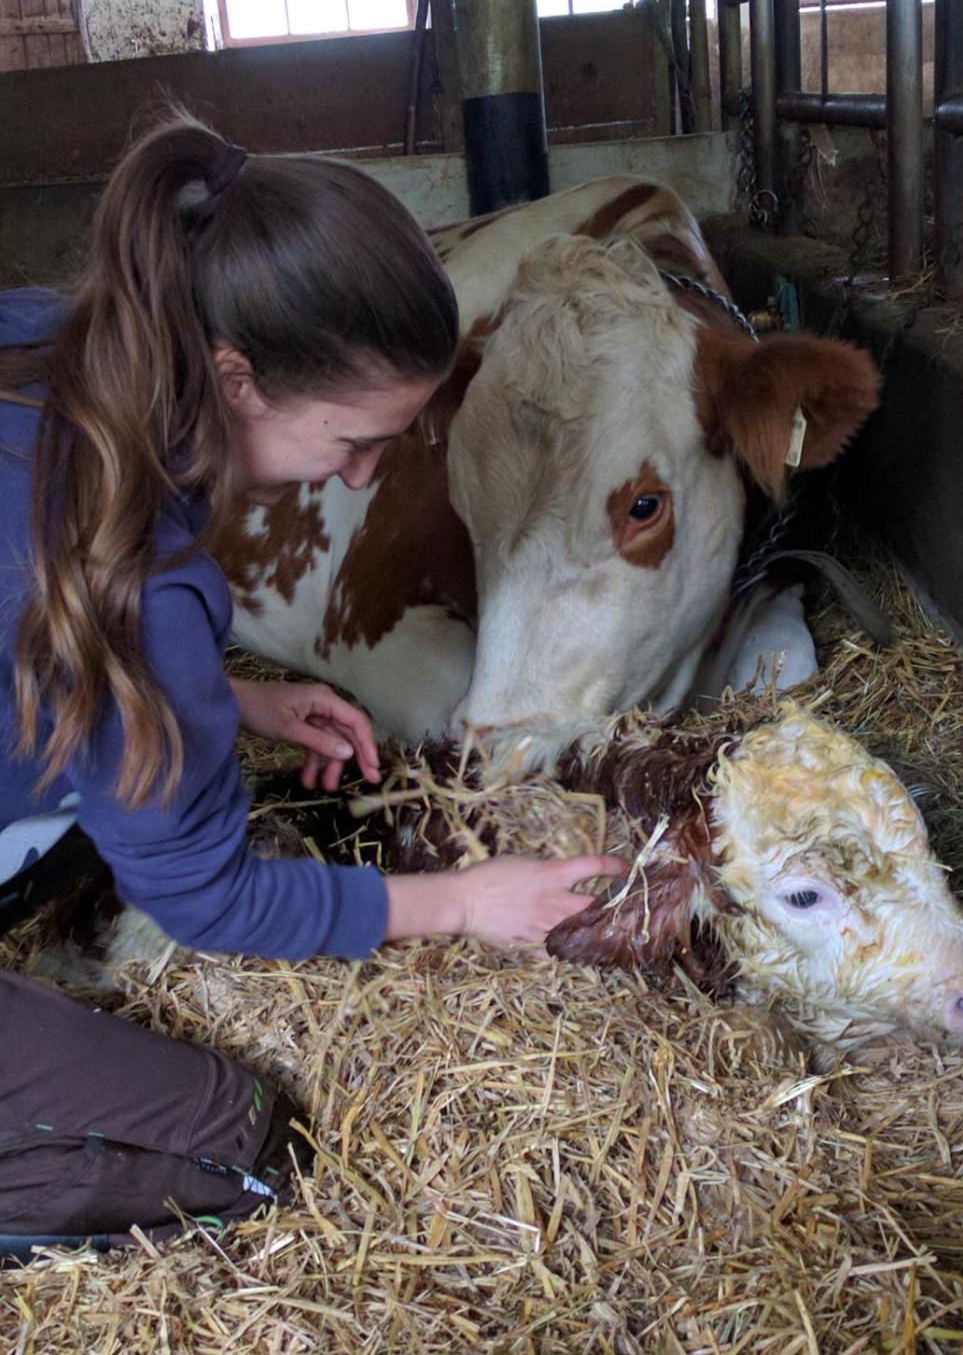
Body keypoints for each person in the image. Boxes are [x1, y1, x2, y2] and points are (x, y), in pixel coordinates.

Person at [0, 111, 625, 1259]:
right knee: (234, 1142)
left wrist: (227, 700)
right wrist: (462, 901)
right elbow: (207, 898)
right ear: (235, 377)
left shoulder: (45, 338)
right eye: (354, 441)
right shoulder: (152, 589)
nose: (361, 476)